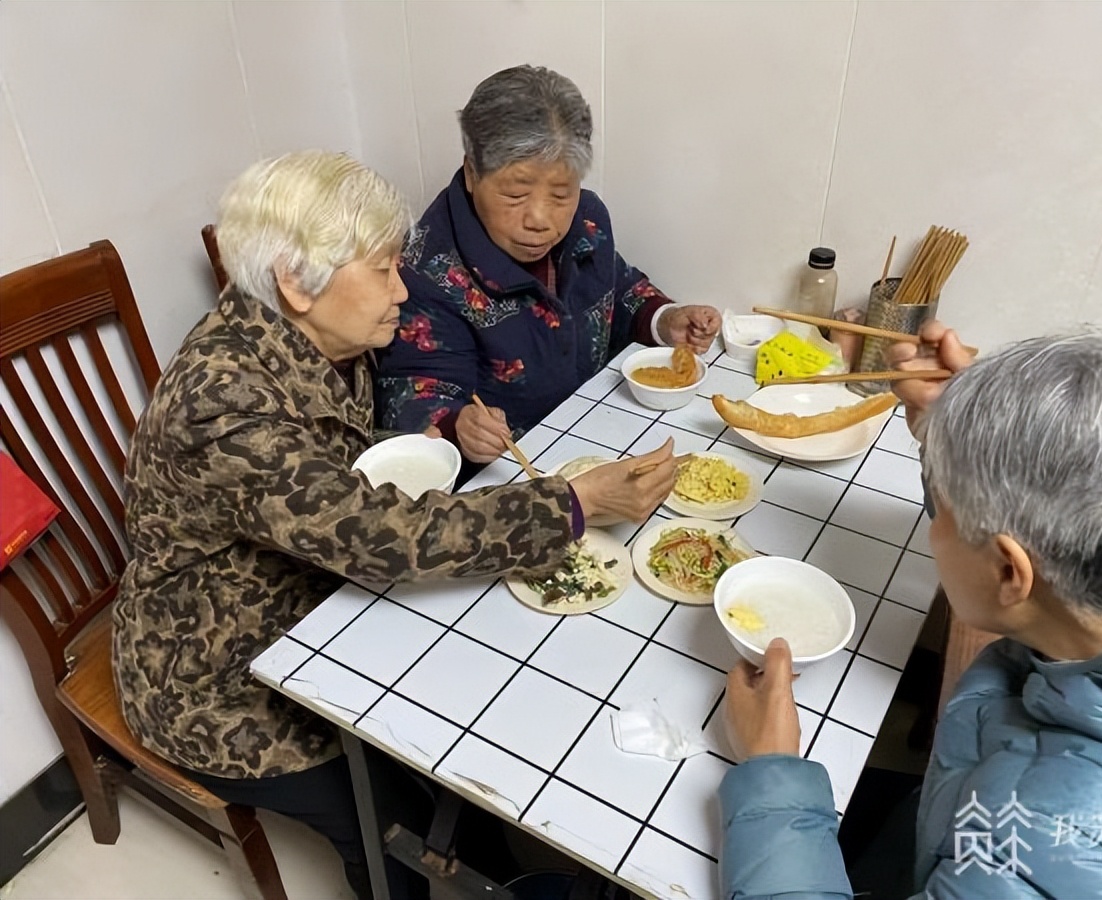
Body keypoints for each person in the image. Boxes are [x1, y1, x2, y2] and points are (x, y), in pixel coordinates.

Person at [111, 151, 678, 900]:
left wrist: (441, 431)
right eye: (382, 269)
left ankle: (505, 859)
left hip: (312, 588)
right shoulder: (222, 405)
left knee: (473, 720)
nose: (402, 290)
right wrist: (576, 504)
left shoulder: (307, 333)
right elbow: (386, 538)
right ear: (294, 281)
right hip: (211, 674)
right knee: (392, 807)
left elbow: (321, 469)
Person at [719, 324, 1102, 899]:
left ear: (1008, 572)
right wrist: (966, 434)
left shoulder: (1047, 861)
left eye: (939, 508)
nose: (931, 524)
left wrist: (771, 770)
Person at [373, 65, 722, 464]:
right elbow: (410, 396)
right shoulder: (427, 271)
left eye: (560, 194)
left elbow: (618, 287)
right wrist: (459, 427)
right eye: (516, 194)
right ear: (472, 173)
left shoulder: (587, 218)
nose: (540, 219)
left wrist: (663, 319)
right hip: (510, 477)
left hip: (598, 433)